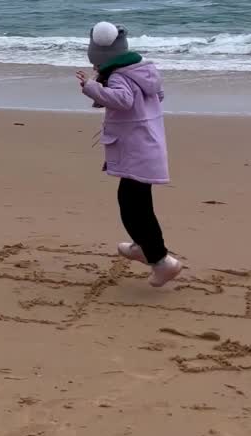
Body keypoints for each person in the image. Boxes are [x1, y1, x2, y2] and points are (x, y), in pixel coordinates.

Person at [76, 21, 182, 287]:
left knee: (134, 208)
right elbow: (152, 95)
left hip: (136, 149)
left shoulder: (119, 75)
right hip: (146, 145)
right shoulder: (142, 71)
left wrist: (91, 87)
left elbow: (123, 100)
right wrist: (102, 88)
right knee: (134, 202)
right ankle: (142, 247)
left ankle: (160, 260)